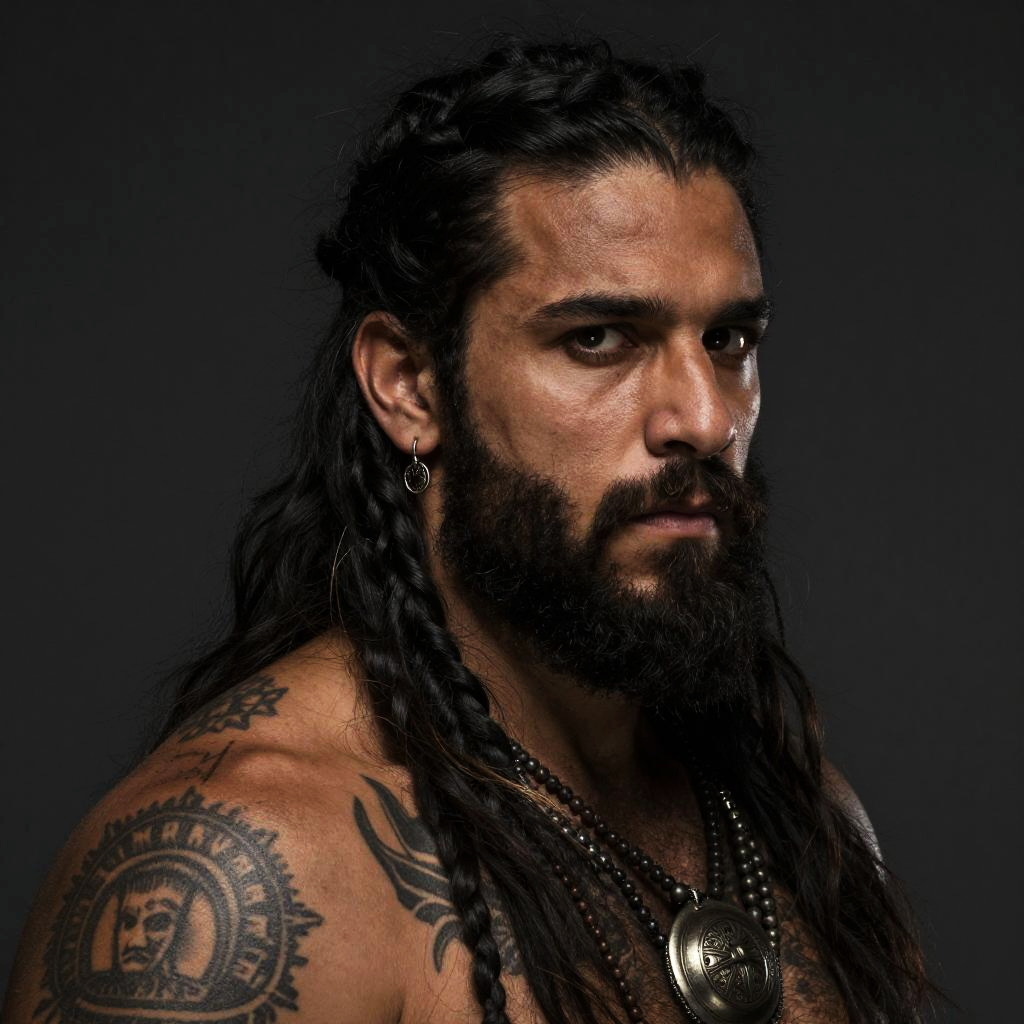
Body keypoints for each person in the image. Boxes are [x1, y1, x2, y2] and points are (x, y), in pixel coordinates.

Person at [1, 38, 928, 1024]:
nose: (703, 417)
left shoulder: (800, 818)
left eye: (728, 340)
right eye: (598, 339)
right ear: (409, 386)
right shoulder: (239, 874)